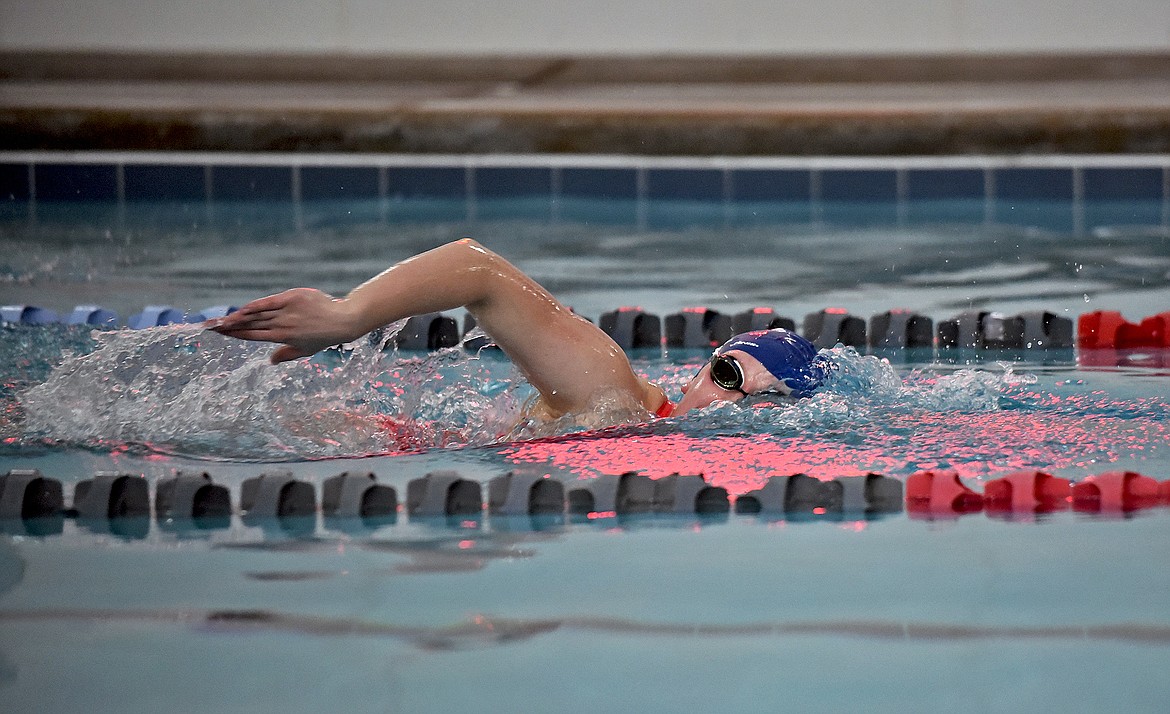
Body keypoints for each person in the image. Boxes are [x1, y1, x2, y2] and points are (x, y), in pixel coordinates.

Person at [208, 238, 828, 420]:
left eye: (761, 401)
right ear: (701, 369)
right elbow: (481, 273)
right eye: (725, 373)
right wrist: (349, 316)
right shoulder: (608, 390)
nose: (728, 401)